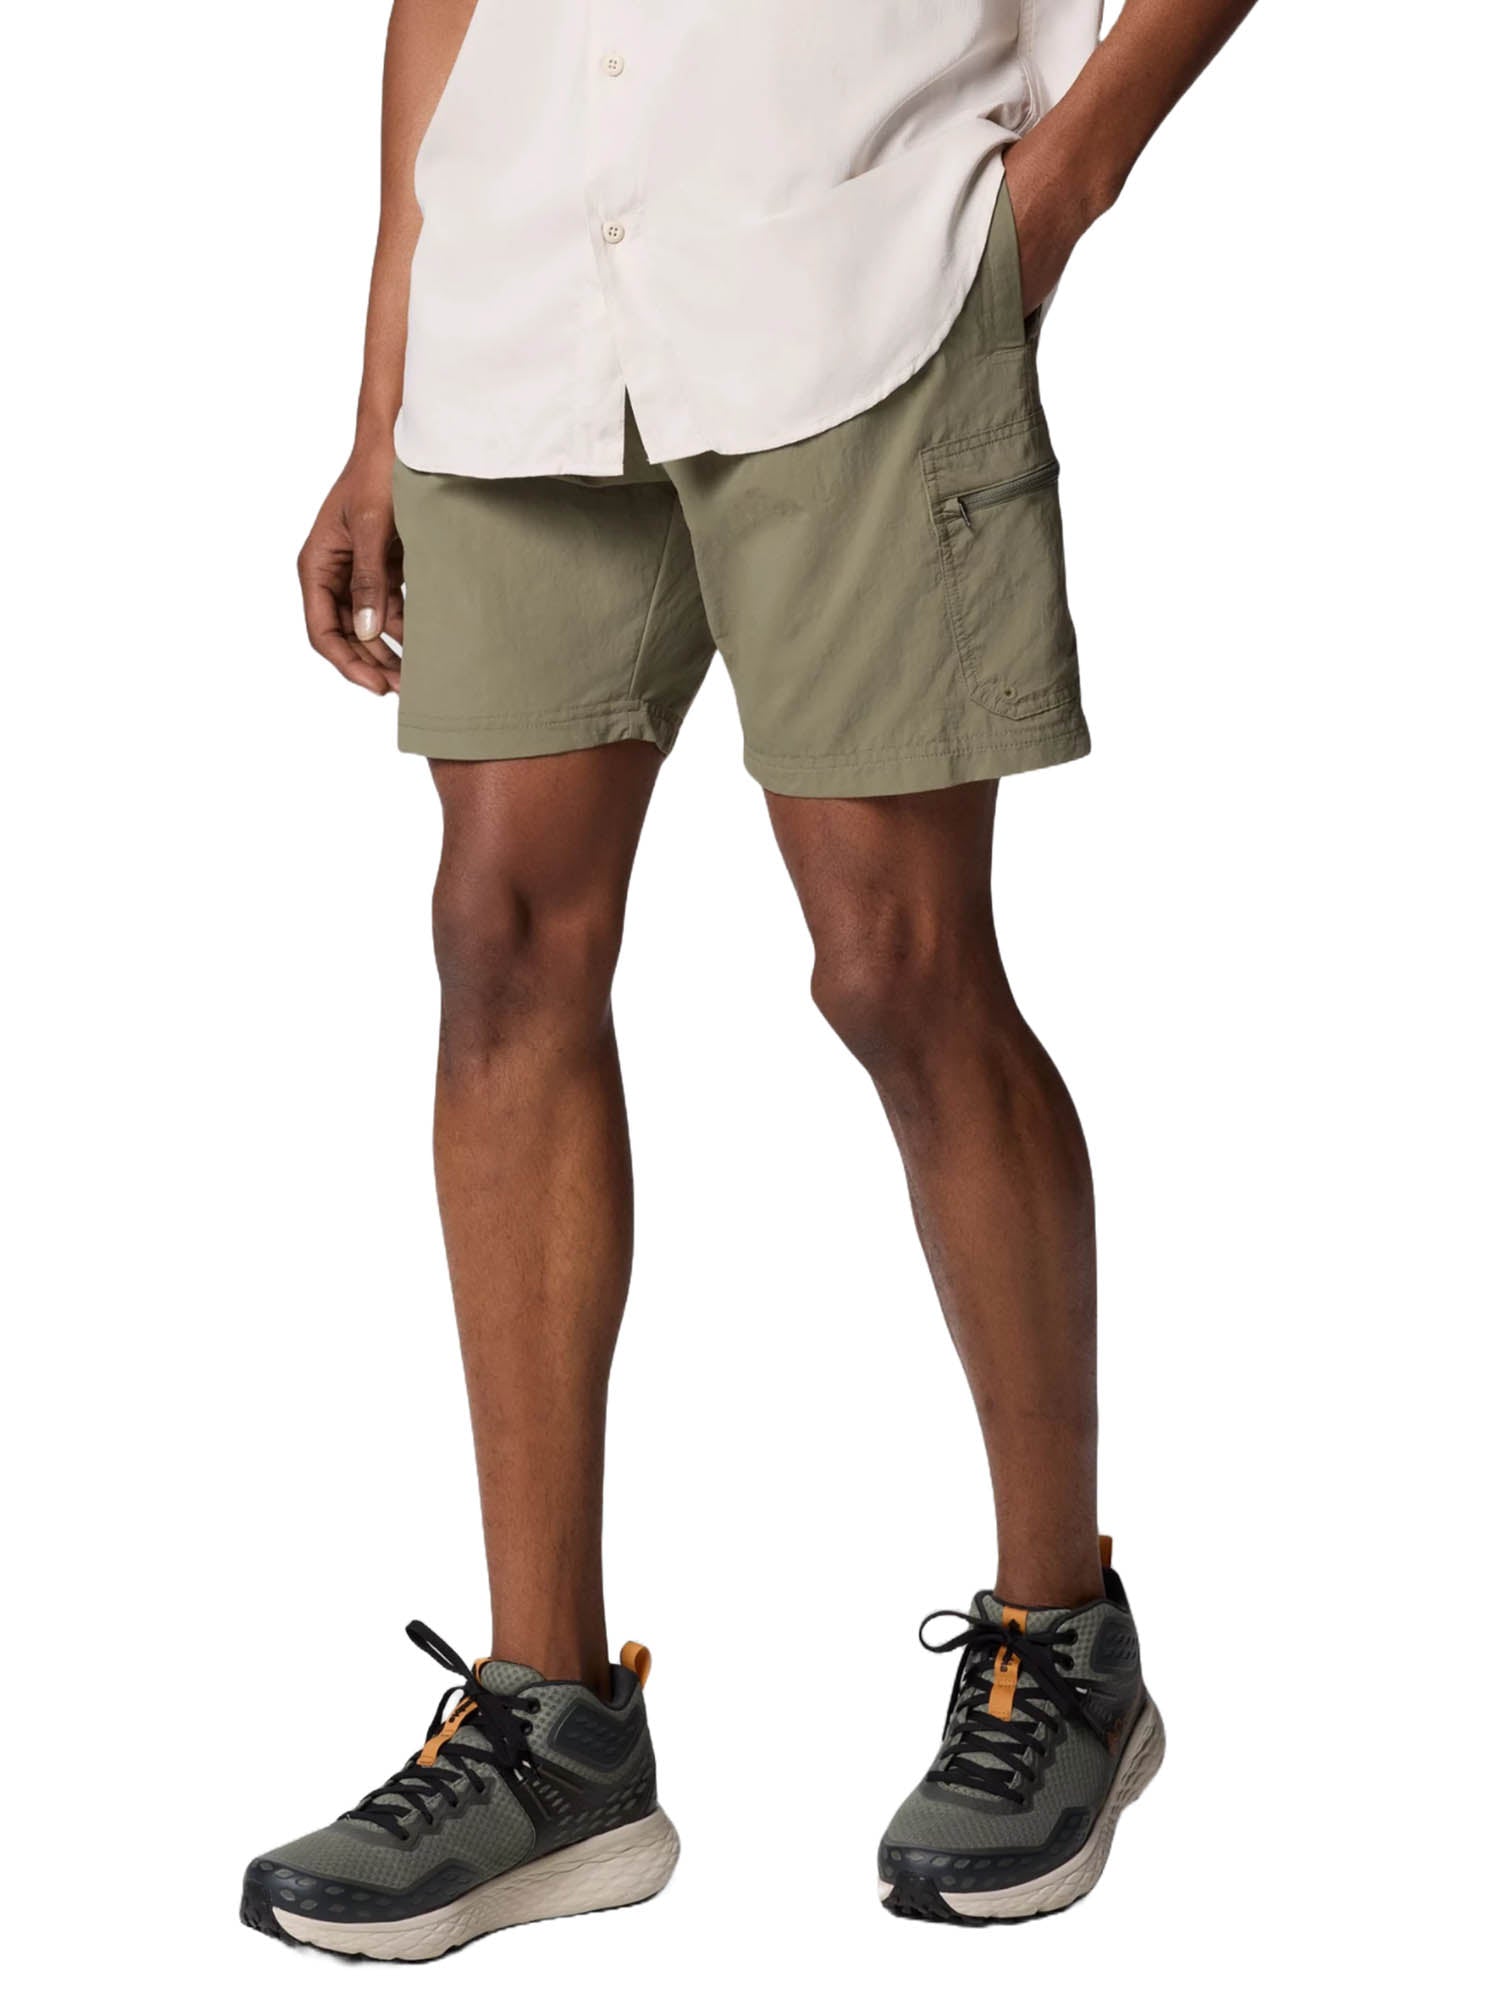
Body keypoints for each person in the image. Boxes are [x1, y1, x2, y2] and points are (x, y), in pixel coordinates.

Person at [242, 0, 1256, 1958]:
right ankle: (552, 1729)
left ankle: (1063, 1637)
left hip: (855, 280)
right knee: (497, 943)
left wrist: (1061, 190)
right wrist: (382, 394)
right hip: (524, 311)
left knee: (897, 966)